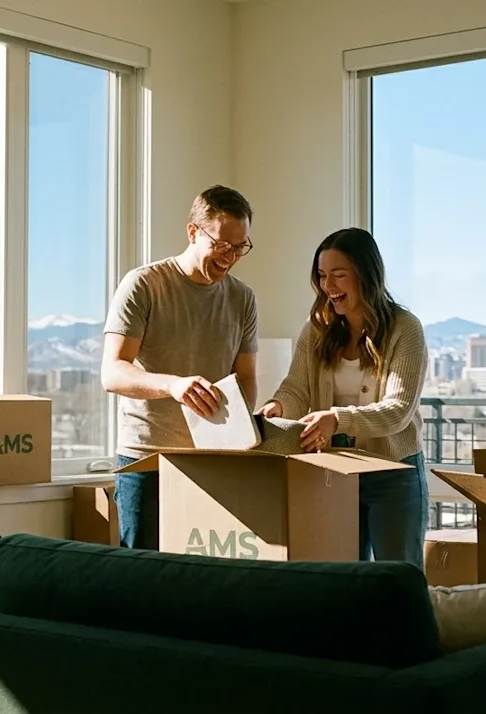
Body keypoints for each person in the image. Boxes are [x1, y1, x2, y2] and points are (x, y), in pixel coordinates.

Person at [257, 227, 429, 568]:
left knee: (398, 581)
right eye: (322, 276)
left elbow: (398, 411)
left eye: (338, 275)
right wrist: (278, 406)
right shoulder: (316, 328)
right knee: (344, 579)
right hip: (334, 472)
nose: (328, 286)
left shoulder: (405, 328)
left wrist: (336, 419)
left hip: (394, 475)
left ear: (366, 275)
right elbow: (296, 389)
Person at [100, 185, 259, 550]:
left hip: (212, 462)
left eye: (240, 247)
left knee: (203, 575)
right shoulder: (143, 284)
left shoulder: (243, 298)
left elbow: (247, 378)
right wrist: (173, 386)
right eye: (222, 244)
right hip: (146, 459)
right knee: (142, 572)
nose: (230, 257)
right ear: (192, 232)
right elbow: (113, 371)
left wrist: (239, 436)